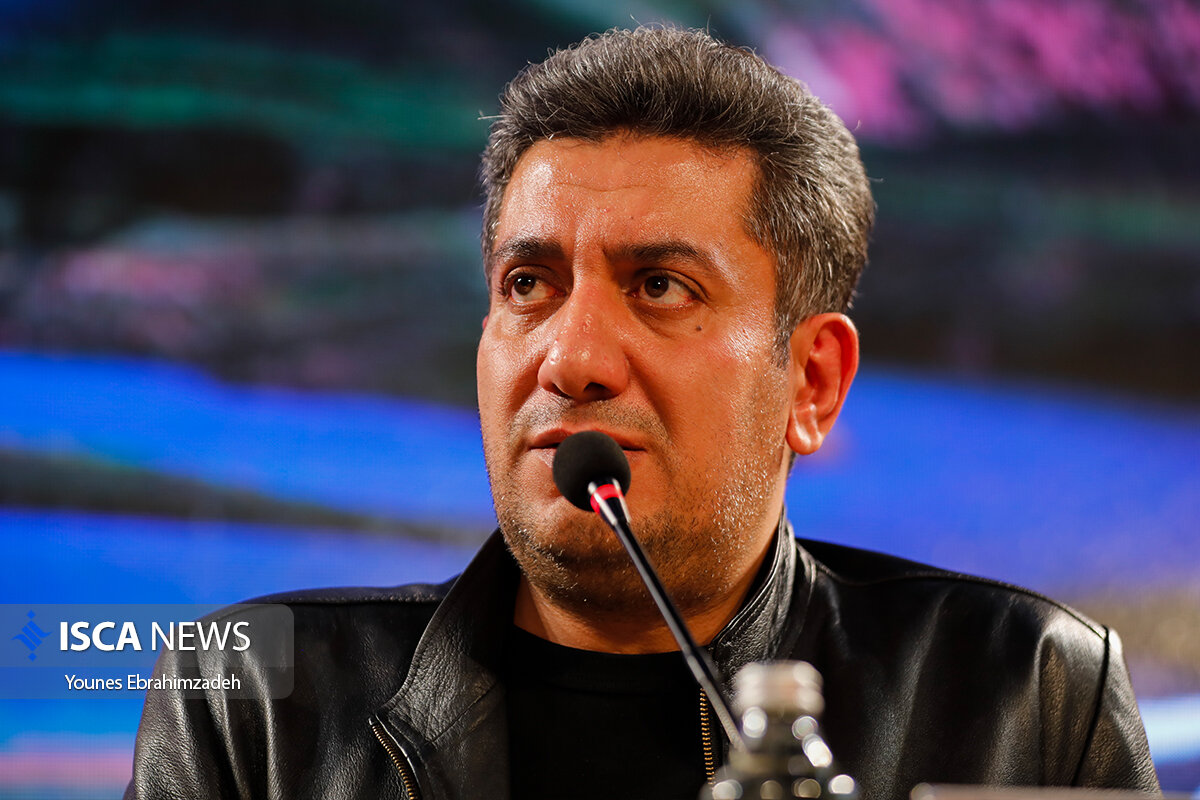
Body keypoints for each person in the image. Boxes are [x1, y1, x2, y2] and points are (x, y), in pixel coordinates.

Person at [125, 27, 1160, 800]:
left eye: (661, 287)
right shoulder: (255, 703)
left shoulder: (1028, 694)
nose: (569, 358)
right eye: (529, 284)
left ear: (812, 383)